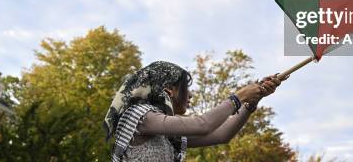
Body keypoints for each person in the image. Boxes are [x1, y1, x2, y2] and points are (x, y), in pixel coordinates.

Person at [103, 61, 283, 161]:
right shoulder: (140, 116)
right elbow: (202, 125)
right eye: (186, 89)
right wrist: (239, 96)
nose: (191, 96)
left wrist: (252, 101)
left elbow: (222, 135)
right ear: (169, 90)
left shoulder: (167, 135)